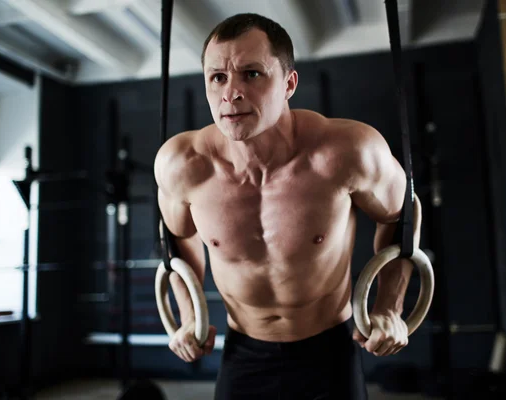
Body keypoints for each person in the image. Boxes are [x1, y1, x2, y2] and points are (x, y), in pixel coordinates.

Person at [154, 13, 421, 400]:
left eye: (251, 74)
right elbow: (175, 242)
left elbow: (402, 216)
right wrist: (189, 316)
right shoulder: (183, 165)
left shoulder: (348, 152)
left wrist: (388, 308)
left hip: (329, 349)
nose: (231, 93)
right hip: (243, 351)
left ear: (289, 83)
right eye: (218, 77)